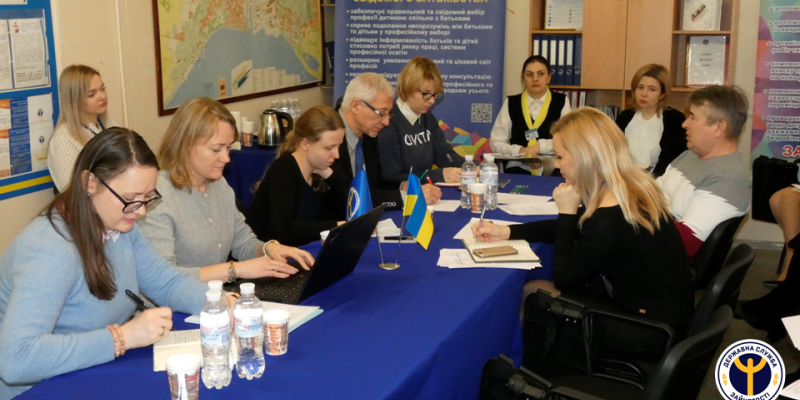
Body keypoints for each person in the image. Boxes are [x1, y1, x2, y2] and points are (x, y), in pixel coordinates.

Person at [0, 128, 214, 398]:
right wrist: (121, 338)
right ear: (90, 182)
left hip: (88, 371)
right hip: (39, 389)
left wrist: (220, 304)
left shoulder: (118, 225)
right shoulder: (49, 249)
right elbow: (16, 360)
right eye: (130, 199)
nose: (141, 210)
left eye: (147, 197)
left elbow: (167, 284)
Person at [473, 108, 694, 335]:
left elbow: (564, 278)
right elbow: (580, 225)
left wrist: (567, 213)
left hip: (649, 328)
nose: (556, 165)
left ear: (585, 157)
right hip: (660, 308)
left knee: (535, 292)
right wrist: (507, 231)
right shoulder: (626, 188)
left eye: (560, 156)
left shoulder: (608, 220)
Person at [138, 97, 314, 284]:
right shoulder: (156, 196)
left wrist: (269, 249)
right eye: (216, 149)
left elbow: (243, 241)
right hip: (176, 301)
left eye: (228, 148)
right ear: (185, 146)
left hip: (212, 295)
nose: (226, 158)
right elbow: (163, 278)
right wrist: (235, 270)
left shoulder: (218, 184)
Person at [656, 85, 749, 260]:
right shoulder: (690, 155)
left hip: (664, 263)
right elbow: (653, 192)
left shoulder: (726, 180)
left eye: (693, 117)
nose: (684, 124)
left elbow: (683, 244)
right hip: (653, 243)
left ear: (719, 127)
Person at [332, 72, 441, 210]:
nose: (386, 122)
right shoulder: (327, 137)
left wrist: (403, 186)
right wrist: (407, 198)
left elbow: (376, 184)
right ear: (355, 106)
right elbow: (347, 198)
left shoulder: (368, 133)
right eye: (381, 113)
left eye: (389, 114)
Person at [247, 105, 348, 246]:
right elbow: (285, 231)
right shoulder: (284, 170)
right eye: (329, 148)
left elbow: (350, 208)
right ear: (305, 144)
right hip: (268, 253)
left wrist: (330, 175)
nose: (336, 155)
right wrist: (336, 226)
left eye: (338, 146)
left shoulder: (319, 169)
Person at [378, 56, 465, 184]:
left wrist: (471, 166)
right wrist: (437, 176)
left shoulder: (427, 118)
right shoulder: (388, 122)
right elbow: (390, 179)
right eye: (426, 94)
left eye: (435, 94)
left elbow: (444, 155)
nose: (432, 100)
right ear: (408, 88)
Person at [490, 55, 571, 175]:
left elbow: (568, 139)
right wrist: (521, 151)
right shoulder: (511, 103)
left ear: (549, 77)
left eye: (541, 74)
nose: (535, 79)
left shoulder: (561, 101)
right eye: (529, 74)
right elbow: (496, 142)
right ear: (523, 78)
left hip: (553, 165)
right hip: (518, 165)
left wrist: (539, 147)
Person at [48, 64, 117, 191]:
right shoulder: (63, 139)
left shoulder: (108, 123)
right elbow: (71, 192)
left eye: (102, 89)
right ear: (74, 100)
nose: (102, 96)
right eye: (91, 94)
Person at [615, 64, 687, 177]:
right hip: (626, 179)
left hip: (660, 181)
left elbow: (671, 159)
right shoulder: (624, 117)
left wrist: (651, 182)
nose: (644, 94)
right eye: (640, 87)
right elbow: (614, 155)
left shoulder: (674, 119)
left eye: (651, 89)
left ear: (662, 94)